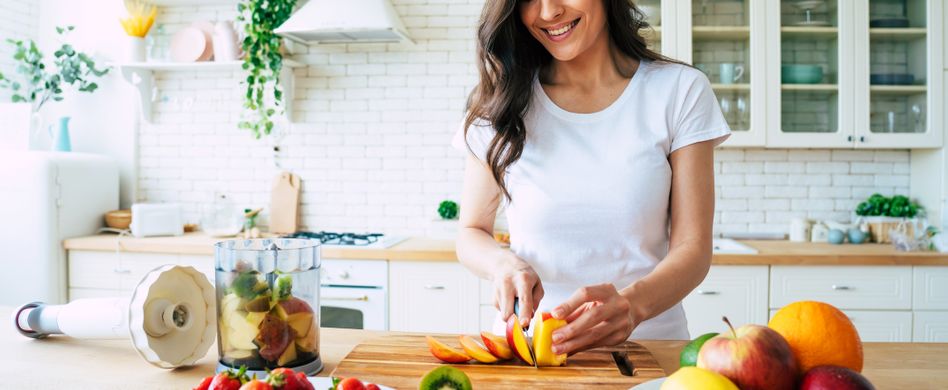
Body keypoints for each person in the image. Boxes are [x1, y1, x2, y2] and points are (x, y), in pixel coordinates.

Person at [452, 0, 731, 355]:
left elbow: (693, 249)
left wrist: (633, 306)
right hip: (530, 351)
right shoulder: (500, 102)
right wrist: (503, 264)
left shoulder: (678, 90)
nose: (549, 12)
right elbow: (471, 232)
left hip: (648, 350)